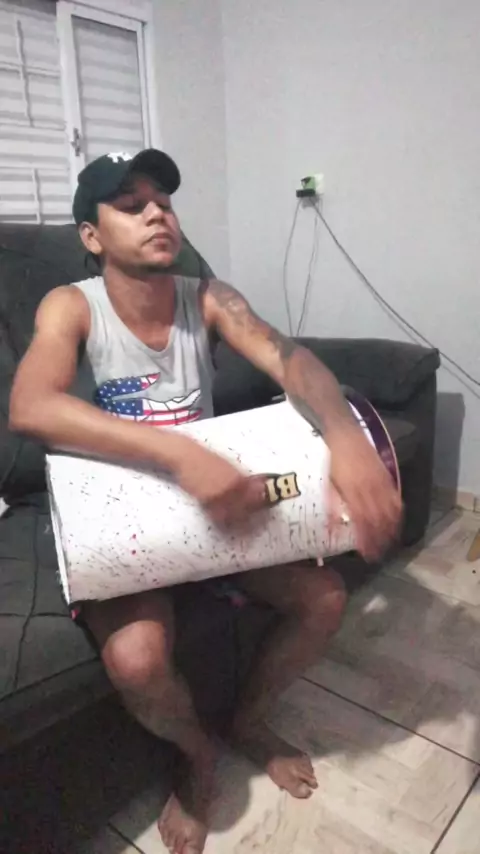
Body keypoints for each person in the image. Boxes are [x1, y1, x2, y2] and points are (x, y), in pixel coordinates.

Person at [9, 149, 402, 854]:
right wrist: (180, 454)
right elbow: (31, 405)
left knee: (324, 599)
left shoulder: (210, 298)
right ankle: (196, 757)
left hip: (217, 514)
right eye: (130, 205)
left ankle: (247, 722)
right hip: (127, 517)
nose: (156, 213)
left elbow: (291, 359)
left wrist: (346, 435)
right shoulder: (71, 304)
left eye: (163, 201)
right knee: (136, 659)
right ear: (91, 235)